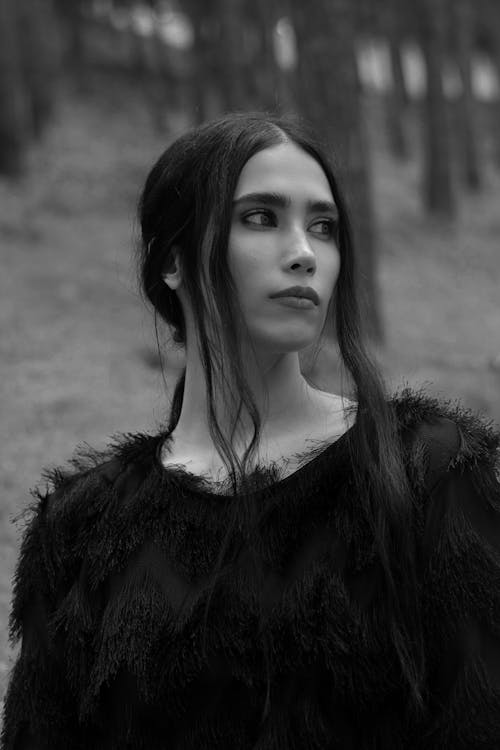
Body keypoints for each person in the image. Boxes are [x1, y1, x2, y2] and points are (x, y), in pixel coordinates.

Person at [1, 112, 500, 750]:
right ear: (173, 261)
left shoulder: (430, 472)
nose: (303, 254)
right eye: (261, 218)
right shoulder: (80, 528)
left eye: (324, 227)